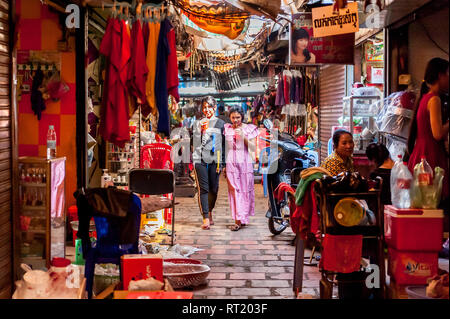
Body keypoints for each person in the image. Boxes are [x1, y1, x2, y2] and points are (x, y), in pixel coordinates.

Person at [407, 58, 449, 201]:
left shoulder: (425, 97)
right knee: (432, 203)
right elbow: (437, 134)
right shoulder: (434, 99)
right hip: (430, 156)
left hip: (422, 154)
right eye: (448, 74)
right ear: (440, 75)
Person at [192, 96, 226, 230]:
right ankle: (205, 217)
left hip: (215, 160)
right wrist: (200, 132)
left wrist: (222, 163)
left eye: (209, 107)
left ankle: (210, 212)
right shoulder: (197, 123)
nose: (207, 110)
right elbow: (193, 143)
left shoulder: (221, 124)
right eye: (204, 107)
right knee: (204, 189)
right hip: (200, 159)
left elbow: (223, 144)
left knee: (214, 189)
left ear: (215, 108)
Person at [224, 106, 259, 231]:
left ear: (242, 117)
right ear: (229, 117)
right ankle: (237, 220)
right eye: (233, 117)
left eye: (238, 117)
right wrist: (224, 165)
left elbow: (253, 148)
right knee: (234, 190)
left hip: (244, 162)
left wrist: (243, 136)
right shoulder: (227, 129)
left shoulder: (249, 129)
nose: (235, 120)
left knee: (244, 190)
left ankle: (242, 217)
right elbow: (227, 148)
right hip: (231, 163)